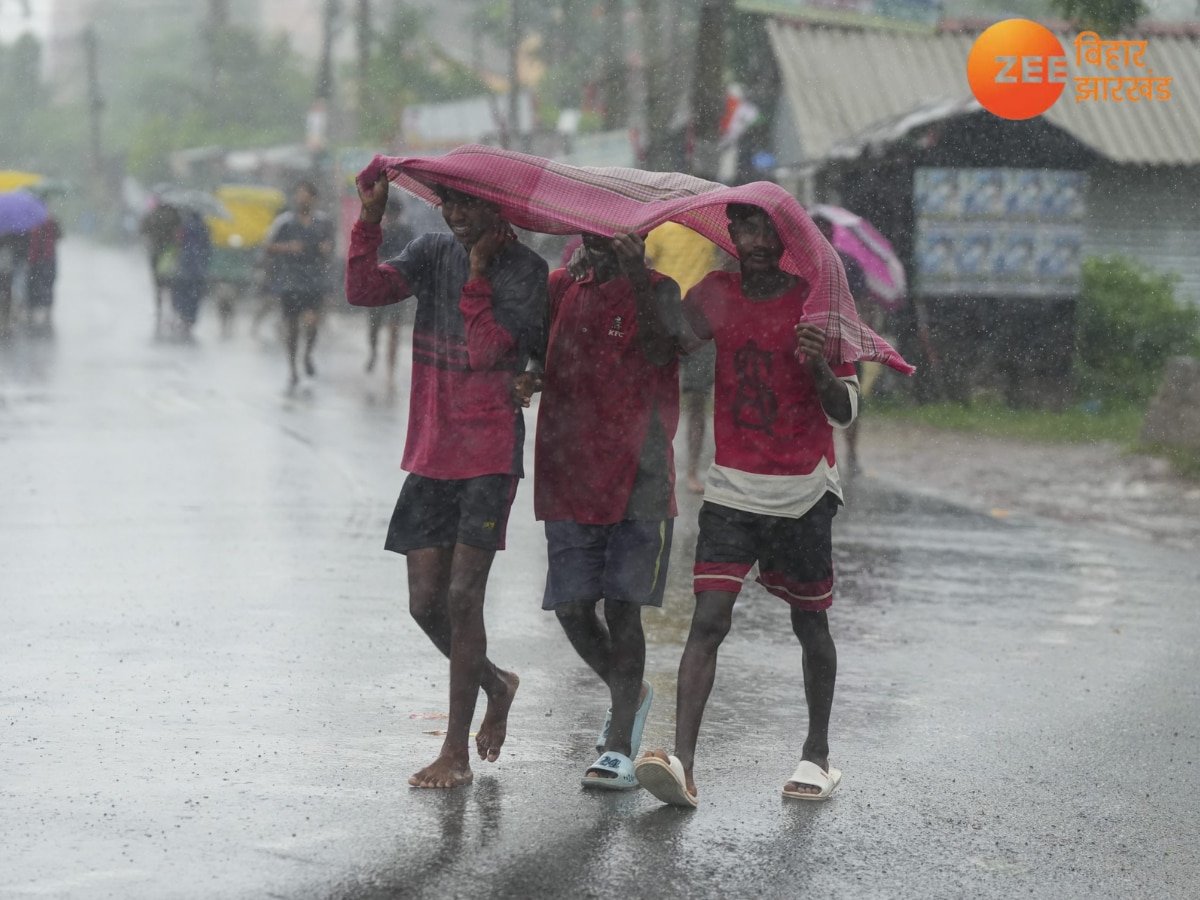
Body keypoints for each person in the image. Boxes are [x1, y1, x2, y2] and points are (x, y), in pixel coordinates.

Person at [635, 203, 860, 807]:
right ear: (730, 235)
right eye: (746, 229)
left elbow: (845, 410)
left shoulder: (820, 301)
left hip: (804, 490)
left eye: (768, 230)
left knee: (809, 622)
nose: (757, 241)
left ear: (786, 238)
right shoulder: (716, 292)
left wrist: (816, 365)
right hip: (733, 488)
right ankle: (682, 762)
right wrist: (638, 274)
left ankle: (817, 755)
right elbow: (665, 346)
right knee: (708, 621)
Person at [346, 173, 548, 789]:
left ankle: (455, 751)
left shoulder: (525, 270)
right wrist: (370, 220)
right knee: (424, 602)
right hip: (432, 449)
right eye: (450, 201)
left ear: (496, 204)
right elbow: (362, 289)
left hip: (487, 451)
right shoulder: (432, 251)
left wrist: (481, 273)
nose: (457, 213)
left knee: (463, 597)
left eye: (470, 201)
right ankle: (495, 683)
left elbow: (488, 351)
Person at [514, 230, 681, 790]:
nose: (604, 238)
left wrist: (634, 277)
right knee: (571, 606)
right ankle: (627, 695)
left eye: (620, 230)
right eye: (593, 227)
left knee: (622, 608)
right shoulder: (561, 287)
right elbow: (537, 346)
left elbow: (662, 352)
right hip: (569, 470)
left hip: (641, 475)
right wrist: (531, 372)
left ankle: (618, 746)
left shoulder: (661, 289)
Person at [644, 222, 721, 495]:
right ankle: (656, 467)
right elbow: (647, 264)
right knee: (656, 396)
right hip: (666, 317)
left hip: (701, 321)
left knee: (698, 400)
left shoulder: (709, 233)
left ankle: (691, 471)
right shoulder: (661, 230)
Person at [812, 212, 870, 476]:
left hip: (845, 340)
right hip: (813, 340)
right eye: (818, 230)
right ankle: (821, 451)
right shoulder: (801, 265)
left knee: (850, 397)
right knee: (813, 398)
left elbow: (864, 302)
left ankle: (852, 452)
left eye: (826, 230)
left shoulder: (848, 265)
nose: (822, 236)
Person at [263, 181, 334, 388]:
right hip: (291, 281)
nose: (301, 199)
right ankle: (293, 367)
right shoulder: (284, 222)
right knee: (292, 326)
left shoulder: (323, 222)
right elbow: (268, 246)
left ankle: (308, 355)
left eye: (305, 195)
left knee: (313, 323)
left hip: (315, 281)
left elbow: (331, 246)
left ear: (314, 199)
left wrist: (325, 249)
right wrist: (288, 247)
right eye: (299, 194)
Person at [364, 198, 416, 382]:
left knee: (393, 329)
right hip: (379, 286)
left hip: (397, 288)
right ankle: (373, 352)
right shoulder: (379, 232)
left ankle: (390, 370)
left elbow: (412, 258)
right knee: (374, 327)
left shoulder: (406, 232)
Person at [139, 202, 182, 334]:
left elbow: (142, 231)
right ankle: (174, 311)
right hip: (170, 253)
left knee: (158, 283)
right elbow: (180, 234)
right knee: (172, 283)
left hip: (156, 253)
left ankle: (159, 310)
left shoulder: (152, 215)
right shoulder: (175, 215)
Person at [171, 210, 212, 340]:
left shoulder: (184, 226)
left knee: (182, 292)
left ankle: (182, 316)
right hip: (199, 269)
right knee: (195, 295)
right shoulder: (205, 228)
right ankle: (191, 319)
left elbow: (177, 243)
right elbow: (208, 248)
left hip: (185, 266)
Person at [25, 212, 60, 330]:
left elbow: (30, 241)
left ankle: (37, 308)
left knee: (38, 283)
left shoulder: (33, 222)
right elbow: (60, 236)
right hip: (47, 258)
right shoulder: (50, 222)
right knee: (46, 283)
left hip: (39, 258)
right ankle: (46, 309)